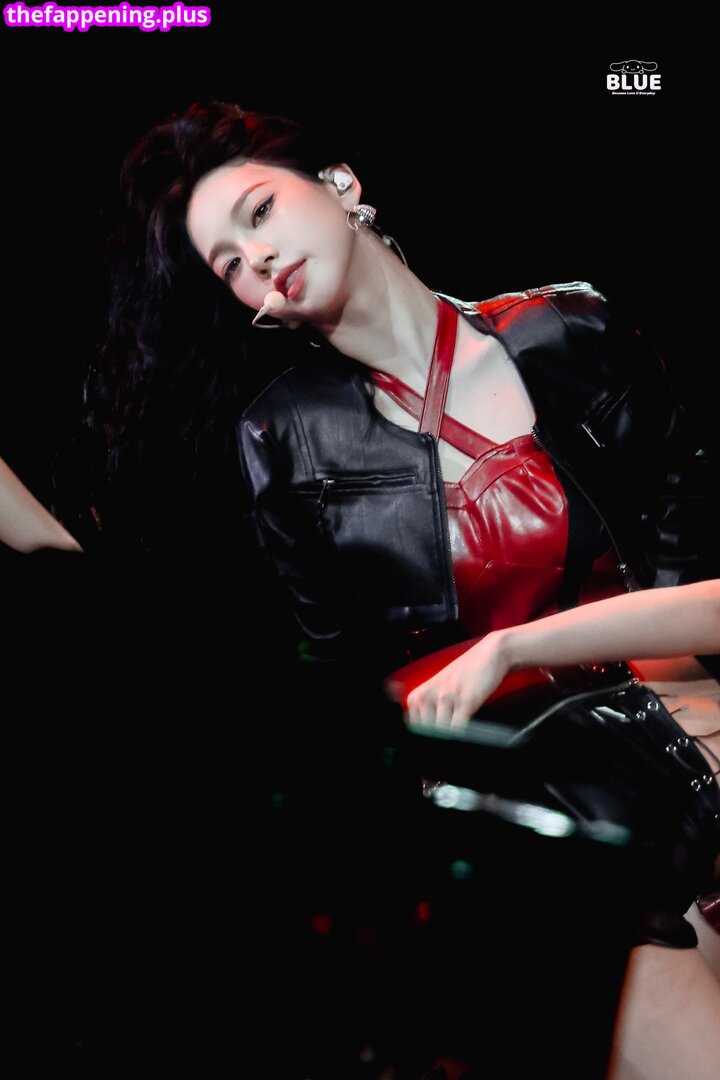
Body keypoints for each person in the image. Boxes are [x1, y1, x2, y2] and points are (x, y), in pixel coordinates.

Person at [84, 99, 719, 1078]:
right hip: (536, 824)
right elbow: (352, 699)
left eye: (261, 213)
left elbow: (702, 592)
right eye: (229, 263)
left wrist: (512, 649)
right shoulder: (283, 440)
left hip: (689, 747)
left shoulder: (570, 331)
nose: (259, 259)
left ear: (340, 185)